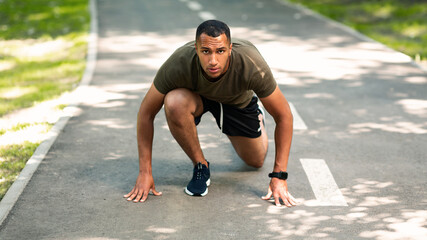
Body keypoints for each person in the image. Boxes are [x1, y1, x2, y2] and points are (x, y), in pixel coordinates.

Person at [124, 20, 297, 207]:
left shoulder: (251, 64)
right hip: (198, 96)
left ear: (230, 49)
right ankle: (200, 165)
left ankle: (258, 117)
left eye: (220, 51)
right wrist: (145, 172)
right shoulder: (179, 63)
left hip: (236, 101)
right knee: (173, 101)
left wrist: (279, 176)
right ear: (196, 49)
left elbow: (284, 116)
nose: (213, 60)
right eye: (205, 51)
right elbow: (145, 114)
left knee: (255, 160)